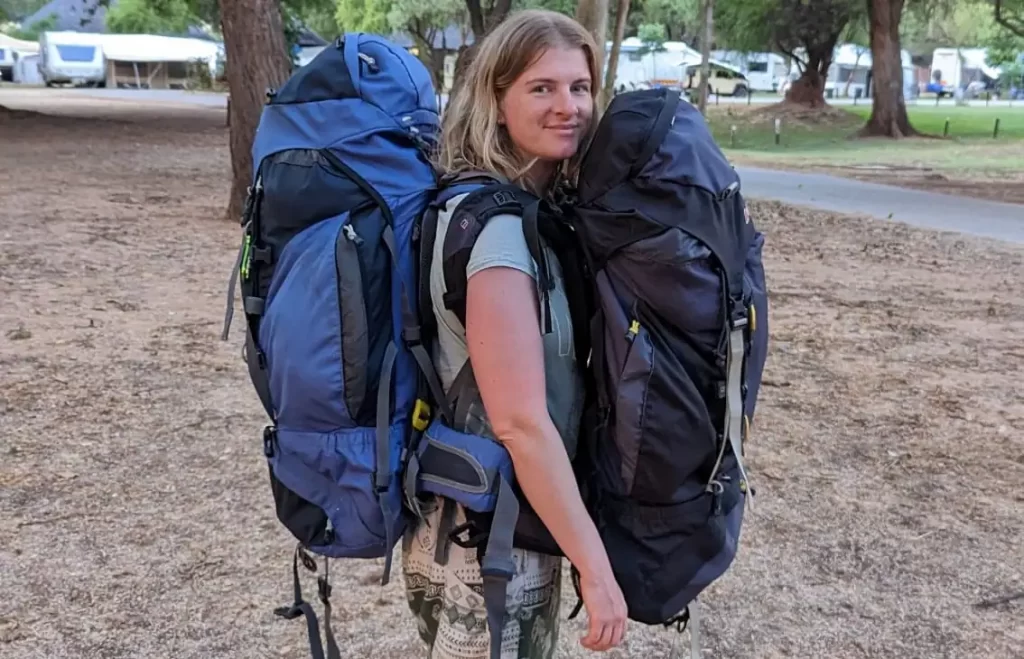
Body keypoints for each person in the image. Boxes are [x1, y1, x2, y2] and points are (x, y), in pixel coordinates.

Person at [402, 9, 628, 659]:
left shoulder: (516, 210)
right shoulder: (497, 233)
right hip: (487, 545)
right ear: (497, 101)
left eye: (580, 87)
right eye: (542, 88)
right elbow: (521, 422)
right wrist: (597, 566)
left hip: (491, 521)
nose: (570, 106)